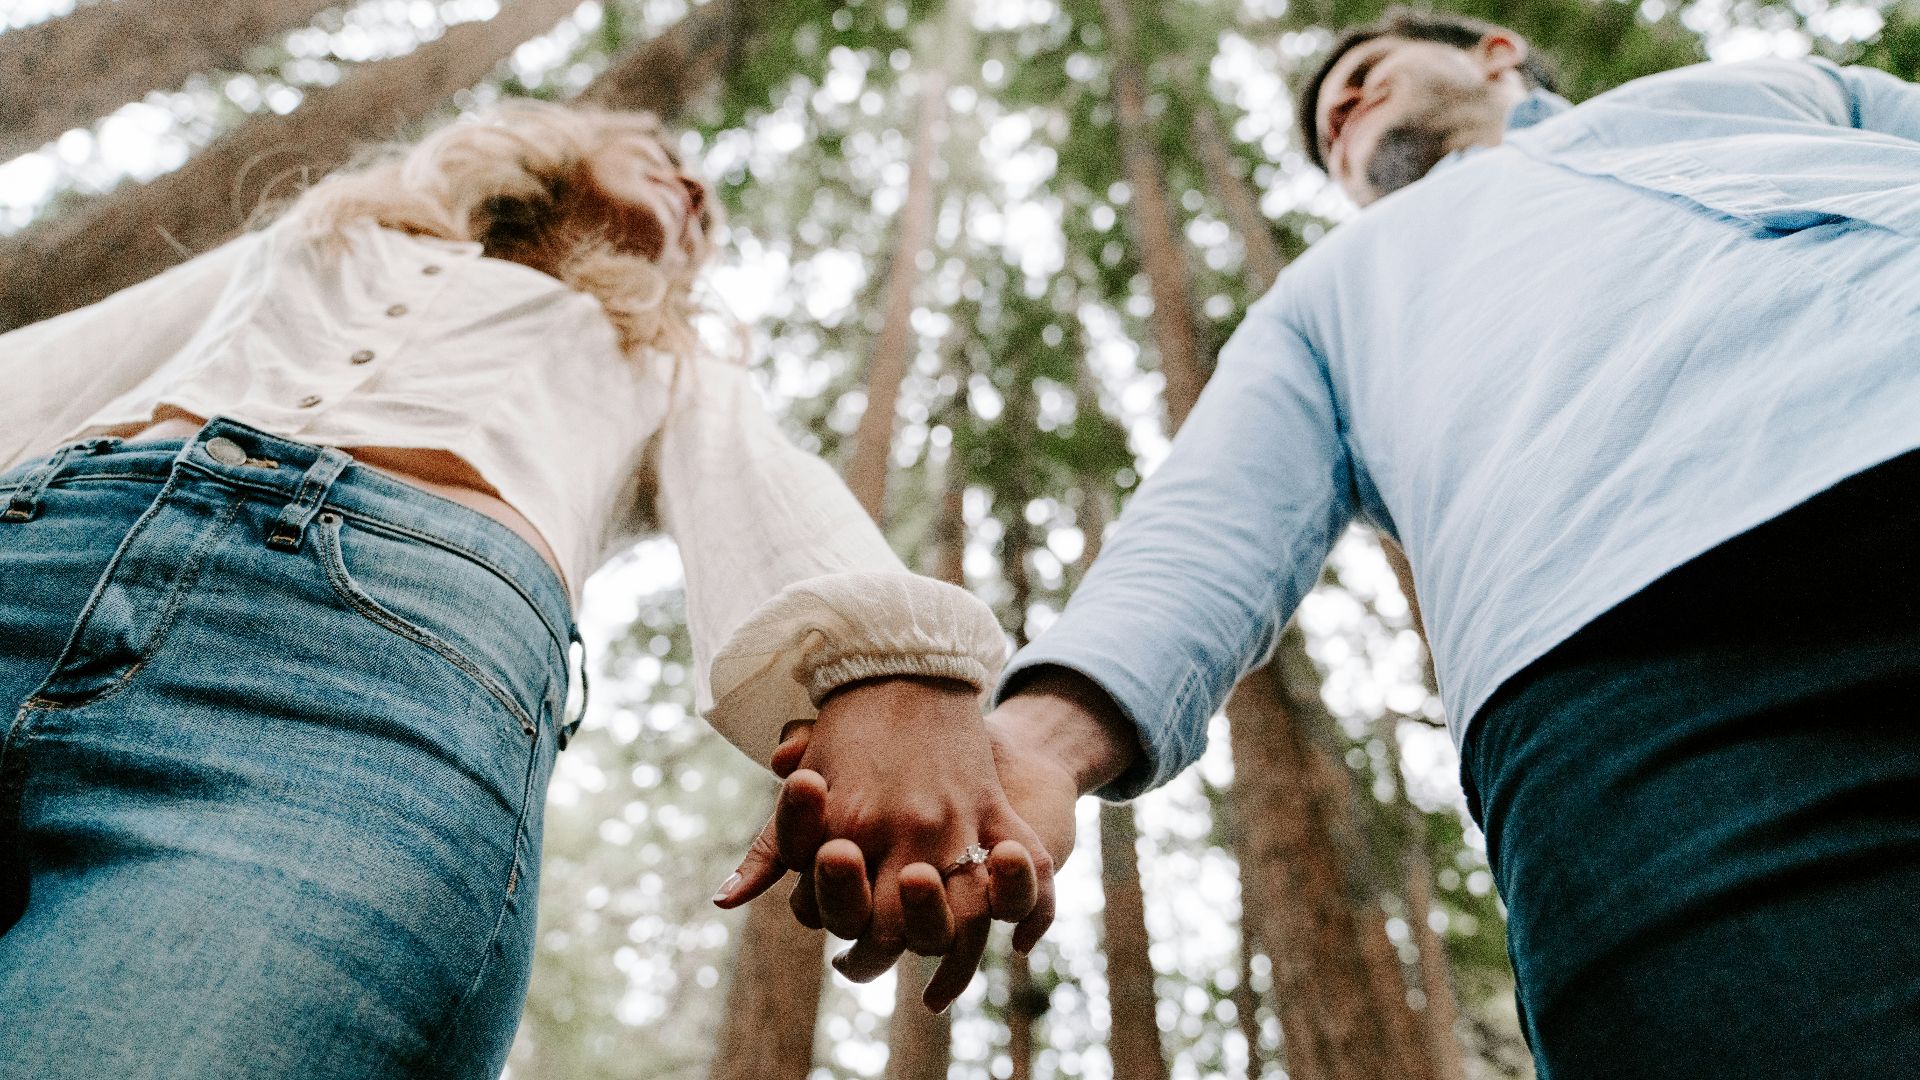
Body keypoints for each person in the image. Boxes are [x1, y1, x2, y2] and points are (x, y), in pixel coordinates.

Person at [745, 10, 1920, 1076]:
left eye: (1363, 75)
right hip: (1633, 701)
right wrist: (1035, 749)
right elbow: (1210, 524)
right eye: (1324, 128)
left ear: (1496, 51)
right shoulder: (1328, 293)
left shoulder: (1777, 88)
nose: (1342, 112)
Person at [0, 101, 1053, 1079]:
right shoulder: (325, 237)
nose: (690, 186)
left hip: (361, 690)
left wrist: (897, 670)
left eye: (705, 204)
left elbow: (760, 483)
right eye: (664, 153)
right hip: (34, 544)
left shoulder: (664, 355)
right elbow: (58, 364)